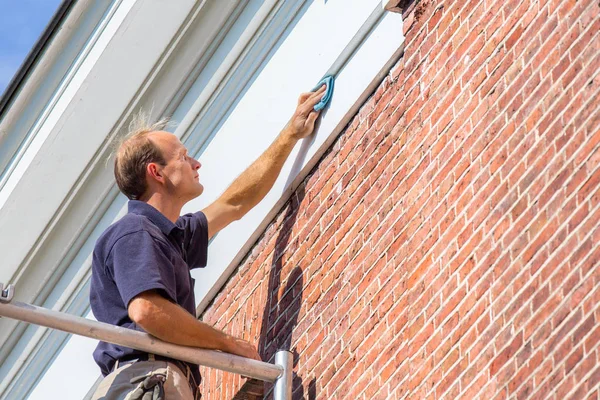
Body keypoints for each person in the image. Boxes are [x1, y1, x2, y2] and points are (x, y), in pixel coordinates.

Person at [89, 85, 327, 399]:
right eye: (184, 158)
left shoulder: (170, 236)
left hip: (157, 380)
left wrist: (289, 135)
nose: (196, 163)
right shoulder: (135, 232)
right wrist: (227, 342)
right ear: (156, 173)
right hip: (146, 378)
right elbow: (147, 311)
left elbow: (234, 204)